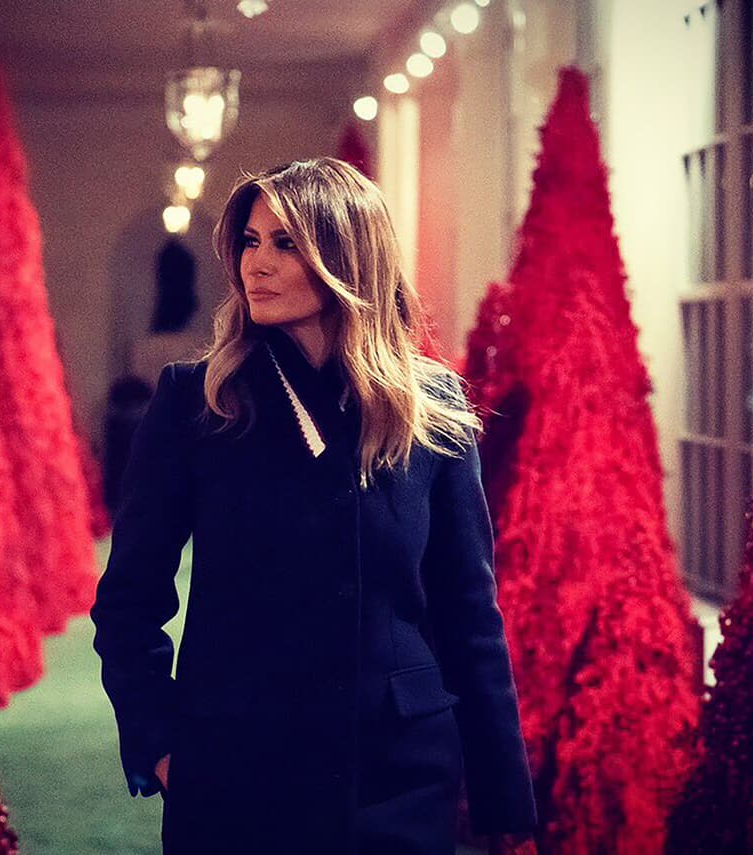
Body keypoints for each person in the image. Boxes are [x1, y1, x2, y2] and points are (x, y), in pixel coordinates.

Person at [92, 157, 536, 854]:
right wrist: (162, 742)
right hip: (237, 770)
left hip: (399, 775)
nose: (256, 264)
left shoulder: (433, 407)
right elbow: (129, 602)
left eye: (285, 243)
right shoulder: (195, 399)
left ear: (347, 257)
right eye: (250, 241)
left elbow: (468, 612)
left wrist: (504, 798)